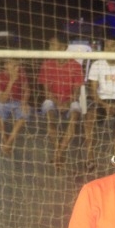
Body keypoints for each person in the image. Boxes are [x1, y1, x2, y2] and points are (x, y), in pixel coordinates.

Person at [38, 34, 86, 165]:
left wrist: (66, 102)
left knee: (75, 114)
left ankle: (58, 152)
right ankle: (59, 151)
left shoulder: (75, 66)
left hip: (70, 100)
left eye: (53, 45)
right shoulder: (47, 65)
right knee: (50, 115)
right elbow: (46, 91)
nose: (50, 48)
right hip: (52, 100)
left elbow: (76, 92)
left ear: (63, 47)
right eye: (50, 45)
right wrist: (58, 103)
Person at [85, 37, 115, 144]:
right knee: (89, 117)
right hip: (100, 101)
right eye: (106, 46)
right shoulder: (97, 65)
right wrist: (105, 105)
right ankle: (90, 155)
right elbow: (93, 92)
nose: (109, 49)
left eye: (112, 46)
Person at [0, 57, 28, 156]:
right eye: (15, 65)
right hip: (5, 102)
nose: (17, 68)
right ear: (6, 66)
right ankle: (4, 139)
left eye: (18, 65)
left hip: (18, 102)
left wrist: (24, 102)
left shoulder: (21, 73)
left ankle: (9, 142)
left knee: (25, 113)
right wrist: (11, 81)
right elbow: (2, 99)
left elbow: (27, 90)